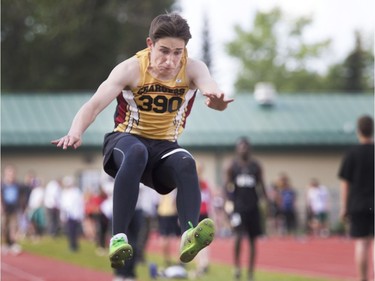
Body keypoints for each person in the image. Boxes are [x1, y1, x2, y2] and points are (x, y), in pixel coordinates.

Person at [51, 12, 233, 269]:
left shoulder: (193, 67)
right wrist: (75, 131)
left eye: (178, 52)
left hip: (164, 147)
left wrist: (216, 101)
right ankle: (118, 238)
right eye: (164, 51)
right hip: (125, 141)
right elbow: (93, 105)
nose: (170, 61)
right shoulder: (130, 69)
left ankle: (189, 234)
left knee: (185, 162)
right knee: (137, 152)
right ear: (150, 44)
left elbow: (210, 88)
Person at [224, 137, 269, 281]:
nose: (244, 149)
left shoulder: (256, 166)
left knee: (252, 240)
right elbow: (226, 187)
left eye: (246, 147)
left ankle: (250, 272)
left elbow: (261, 186)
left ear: (249, 149)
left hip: (253, 207)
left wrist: (266, 203)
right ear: (237, 149)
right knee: (237, 236)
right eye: (241, 146)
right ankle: (237, 267)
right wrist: (228, 204)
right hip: (238, 208)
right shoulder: (233, 166)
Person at [338, 115, 374, 281]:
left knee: (361, 243)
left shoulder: (352, 153)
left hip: (358, 204)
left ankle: (362, 278)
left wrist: (344, 207)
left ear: (358, 130)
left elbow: (345, 183)